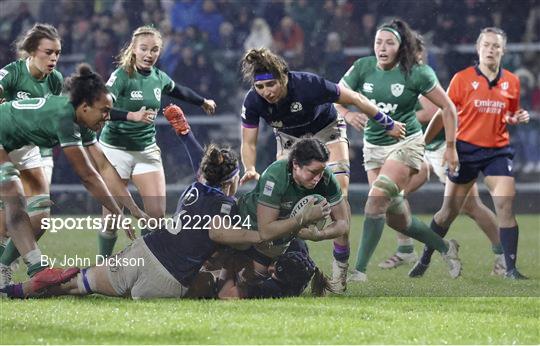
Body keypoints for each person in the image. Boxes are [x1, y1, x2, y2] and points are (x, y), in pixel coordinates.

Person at [2, 143, 265, 299]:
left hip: (145, 250)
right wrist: (258, 236)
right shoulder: (226, 205)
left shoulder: (192, 189)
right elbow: (218, 235)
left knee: (76, 283)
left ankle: (14, 291)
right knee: (208, 282)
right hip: (166, 279)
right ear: (231, 179)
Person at [239, 47, 405, 292]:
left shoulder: (308, 85)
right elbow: (248, 142)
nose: (266, 92)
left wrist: (387, 123)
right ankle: (278, 266)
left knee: (340, 195)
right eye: (261, 87)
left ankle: (339, 274)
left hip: (327, 131)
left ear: (284, 77)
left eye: (271, 85)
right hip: (289, 139)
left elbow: (356, 99)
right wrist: (250, 167)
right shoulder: (253, 100)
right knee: (283, 203)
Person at [335, 19, 461, 282]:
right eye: (378, 42)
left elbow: (447, 107)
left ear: (400, 47)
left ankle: (357, 271)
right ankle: (445, 247)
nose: (382, 47)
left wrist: (450, 148)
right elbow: (335, 95)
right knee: (396, 220)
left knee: (375, 199)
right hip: (374, 147)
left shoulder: (417, 72)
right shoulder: (362, 67)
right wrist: (347, 114)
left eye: (389, 42)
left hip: (407, 143)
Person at [376, 33, 506, 276]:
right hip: (420, 150)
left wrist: (389, 117)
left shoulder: (420, 74)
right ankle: (405, 249)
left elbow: (432, 111)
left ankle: (503, 256)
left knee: (471, 206)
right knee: (393, 194)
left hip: (441, 148)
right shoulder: (394, 75)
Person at [0, 64, 134, 294]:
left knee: (35, 209)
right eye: (104, 110)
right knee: (14, 197)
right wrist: (119, 214)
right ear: (84, 107)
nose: (108, 116)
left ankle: (22, 269)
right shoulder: (65, 118)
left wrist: (128, 208)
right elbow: (88, 176)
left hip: (12, 147)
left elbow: (102, 166)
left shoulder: (80, 121)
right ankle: (36, 271)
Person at [415, 27, 530, 279]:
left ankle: (511, 269)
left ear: (503, 50)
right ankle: (424, 259)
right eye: (487, 45)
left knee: (505, 204)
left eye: (496, 46)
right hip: (465, 150)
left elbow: (508, 113)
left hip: (497, 152)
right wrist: (426, 142)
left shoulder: (512, 80)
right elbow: (443, 112)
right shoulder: (462, 78)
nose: (491, 50)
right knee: (447, 213)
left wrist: (517, 116)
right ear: (478, 49)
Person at [97, 25, 217, 257]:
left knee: (156, 215)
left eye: (154, 50)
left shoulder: (159, 77)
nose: (149, 54)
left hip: (146, 149)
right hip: (115, 149)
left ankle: (145, 264)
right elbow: (102, 109)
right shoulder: (121, 76)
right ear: (133, 49)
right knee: (111, 216)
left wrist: (203, 101)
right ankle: (102, 264)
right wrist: (133, 116)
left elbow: (179, 90)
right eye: (144, 49)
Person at [236, 138, 350, 292]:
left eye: (322, 171)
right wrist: (303, 218)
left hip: (285, 239)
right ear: (296, 165)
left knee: (298, 274)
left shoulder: (326, 178)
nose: (318, 177)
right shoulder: (276, 176)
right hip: (248, 234)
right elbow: (266, 231)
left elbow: (343, 223)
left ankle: (272, 271)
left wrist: (320, 235)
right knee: (244, 291)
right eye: (313, 172)